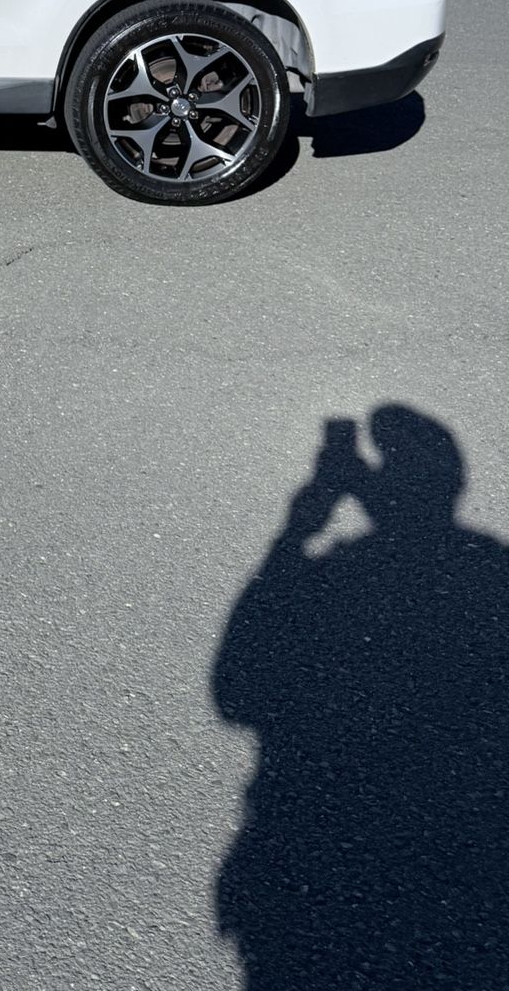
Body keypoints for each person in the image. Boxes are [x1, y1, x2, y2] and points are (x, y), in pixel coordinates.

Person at [214, 406, 509, 990]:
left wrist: (299, 530)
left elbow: (238, 691)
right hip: (474, 872)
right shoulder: (492, 571)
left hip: (318, 875)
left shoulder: (333, 577)